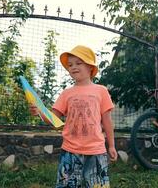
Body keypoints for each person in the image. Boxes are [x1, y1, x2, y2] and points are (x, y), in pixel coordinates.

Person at [30, 45, 118, 188]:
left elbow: (107, 120)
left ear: (90, 66)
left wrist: (112, 146)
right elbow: (54, 119)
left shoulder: (101, 91)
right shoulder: (66, 93)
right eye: (70, 65)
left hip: (96, 151)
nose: (73, 67)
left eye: (78, 63)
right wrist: (40, 112)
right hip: (70, 150)